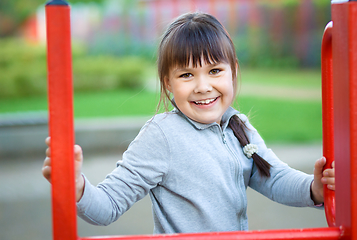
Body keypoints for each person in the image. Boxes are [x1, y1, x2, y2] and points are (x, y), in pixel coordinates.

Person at [42, 12, 335, 234]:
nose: (203, 86)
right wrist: (75, 184)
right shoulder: (162, 136)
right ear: (168, 83)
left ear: (233, 71)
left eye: (215, 70)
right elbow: (107, 206)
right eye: (186, 75)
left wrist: (314, 188)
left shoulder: (238, 125)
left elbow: (273, 177)